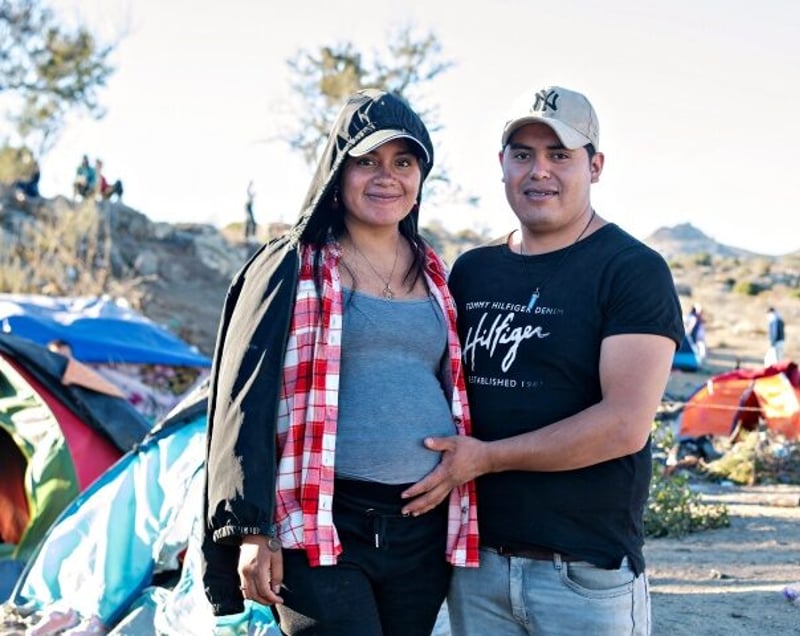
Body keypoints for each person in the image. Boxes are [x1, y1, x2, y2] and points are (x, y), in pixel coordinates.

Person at [400, 84, 684, 636]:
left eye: (559, 155)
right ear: (501, 164)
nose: (539, 172)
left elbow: (624, 425)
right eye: (523, 154)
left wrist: (485, 459)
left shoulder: (631, 270)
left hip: (584, 574)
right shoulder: (473, 271)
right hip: (476, 568)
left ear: (595, 166)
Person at [202, 88, 478, 635]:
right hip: (319, 522)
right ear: (338, 169)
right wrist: (250, 529)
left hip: (419, 531)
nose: (386, 176)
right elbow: (242, 398)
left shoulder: (437, 273)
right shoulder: (291, 264)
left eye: (403, 162)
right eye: (367, 161)